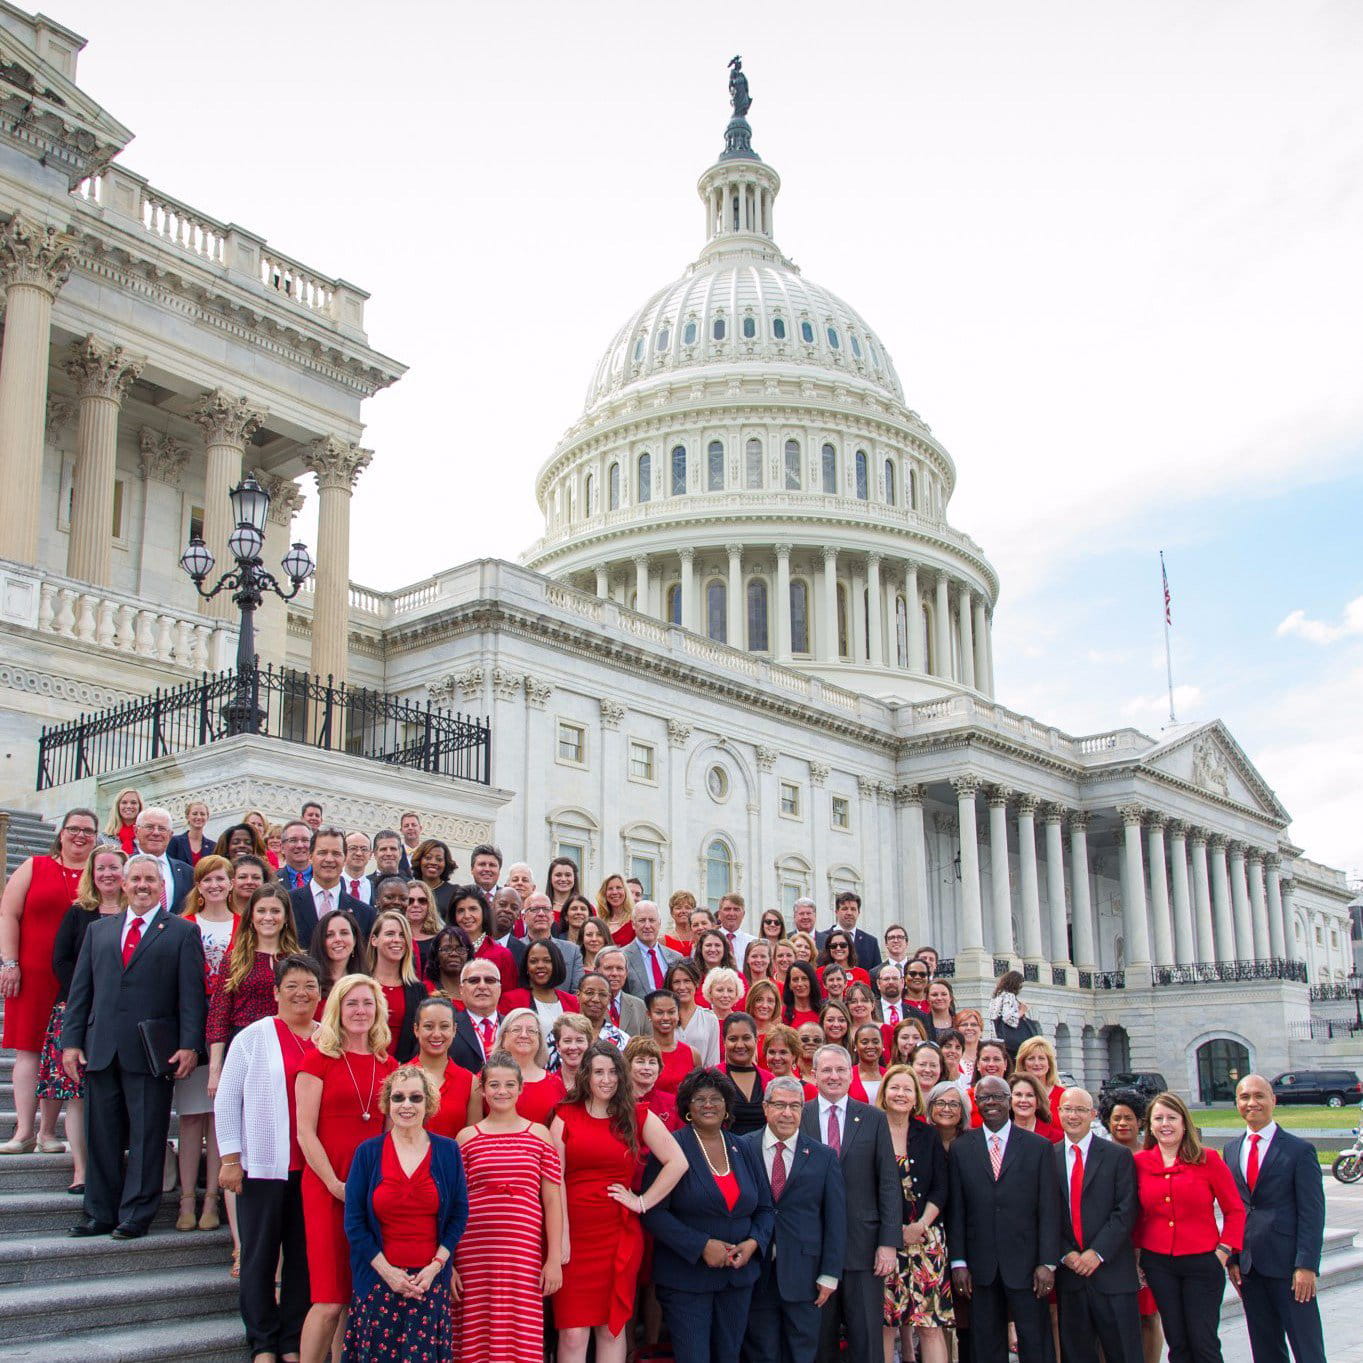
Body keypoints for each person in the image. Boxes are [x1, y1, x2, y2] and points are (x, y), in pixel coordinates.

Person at [61, 853, 206, 1239]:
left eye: (150, 880)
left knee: (147, 1134)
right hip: (100, 1047)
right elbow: (81, 992)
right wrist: (71, 1042)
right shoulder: (99, 932)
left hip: (150, 1050)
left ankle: (136, 1214)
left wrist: (190, 1045)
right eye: (136, 879)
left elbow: (192, 995)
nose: (143, 886)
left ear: (161, 888)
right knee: (102, 1133)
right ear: (123, 885)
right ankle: (99, 1213)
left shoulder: (181, 931)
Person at [552, 1042, 688, 1363]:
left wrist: (641, 1201)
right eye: (598, 1071)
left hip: (617, 1235)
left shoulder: (636, 1115)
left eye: (613, 1072)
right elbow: (553, 1181)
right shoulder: (563, 1116)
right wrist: (561, 1239)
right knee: (572, 1333)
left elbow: (677, 1162)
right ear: (585, 1075)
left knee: (612, 1329)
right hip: (573, 1236)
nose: (606, 1079)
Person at [215, 953, 321, 1363]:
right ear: (276, 992)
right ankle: (261, 1340)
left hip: (311, 1168)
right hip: (262, 1166)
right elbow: (227, 1100)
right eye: (291, 985)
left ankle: (293, 1339)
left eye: (309, 986)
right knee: (259, 1256)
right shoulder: (253, 1036)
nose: (301, 993)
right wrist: (229, 1158)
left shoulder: (327, 1036)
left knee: (301, 1257)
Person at [296, 974, 398, 1363]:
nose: (360, 1011)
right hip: (326, 1186)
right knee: (328, 1299)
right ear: (338, 1009)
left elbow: (389, 1137)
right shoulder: (317, 1059)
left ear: (378, 1012)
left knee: (355, 1294)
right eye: (352, 1003)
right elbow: (305, 1132)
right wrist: (335, 1184)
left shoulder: (389, 1064)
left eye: (367, 1004)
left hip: (369, 1192)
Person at [643, 1067, 774, 1363]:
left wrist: (753, 1243)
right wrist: (700, 1245)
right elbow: (654, 1212)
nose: (708, 1105)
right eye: (699, 1099)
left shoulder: (743, 1148)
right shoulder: (671, 1147)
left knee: (728, 1356)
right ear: (687, 1107)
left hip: (738, 1279)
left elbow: (765, 1209)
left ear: (727, 1106)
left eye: (716, 1099)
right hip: (687, 1280)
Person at [341, 1065, 469, 1363]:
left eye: (415, 1097)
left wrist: (437, 1266)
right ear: (387, 1104)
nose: (406, 1105)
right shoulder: (368, 1153)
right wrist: (387, 1272)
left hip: (428, 1284)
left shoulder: (448, 1152)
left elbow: (459, 1214)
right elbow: (354, 1221)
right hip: (377, 1283)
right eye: (398, 1098)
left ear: (429, 1104)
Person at [453, 1050, 563, 1363]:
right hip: (474, 1255)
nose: (502, 1091)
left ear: (520, 1089)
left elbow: (552, 1200)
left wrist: (553, 1258)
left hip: (522, 1255)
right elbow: (453, 1204)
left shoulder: (539, 1135)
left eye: (509, 1085)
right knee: (475, 1334)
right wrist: (449, 1264)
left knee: (520, 1334)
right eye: (495, 1085)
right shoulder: (466, 1138)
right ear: (483, 1090)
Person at [1, 807, 99, 1154]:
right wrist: (9, 963)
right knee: (28, 1050)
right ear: (60, 833)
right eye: (73, 829)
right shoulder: (34, 866)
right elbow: (8, 914)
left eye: (87, 831)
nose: (80, 836)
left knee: (60, 1052)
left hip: (73, 979)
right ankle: (23, 1130)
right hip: (32, 972)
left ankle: (47, 1131)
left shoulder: (97, 876)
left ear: (96, 837)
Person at [946, 1074, 1059, 1363]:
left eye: (998, 1097)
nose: (991, 1103)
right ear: (976, 1103)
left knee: (1035, 1340)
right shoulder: (962, 1148)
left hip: (1028, 1264)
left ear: (1009, 1101)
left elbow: (1049, 1209)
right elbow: (957, 1209)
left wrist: (1047, 1262)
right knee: (986, 1342)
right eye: (984, 1098)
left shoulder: (1038, 1147)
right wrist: (958, 1261)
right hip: (980, 1266)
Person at [801, 1043, 902, 1363]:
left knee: (867, 1339)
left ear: (851, 1074)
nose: (834, 1076)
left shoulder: (872, 1118)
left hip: (864, 1247)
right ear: (814, 1075)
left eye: (840, 1070)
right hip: (813, 1247)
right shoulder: (799, 1115)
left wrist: (888, 1243)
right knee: (819, 1338)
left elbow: (888, 1183)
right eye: (826, 1070)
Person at [1133, 1091, 1244, 1363]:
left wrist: (1223, 1251)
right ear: (1150, 1125)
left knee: (1203, 1342)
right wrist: (1136, 1258)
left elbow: (1235, 1210)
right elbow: (1134, 1215)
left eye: (1171, 1117)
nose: (1165, 1124)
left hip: (1202, 1263)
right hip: (1159, 1264)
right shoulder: (1139, 1163)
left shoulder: (1207, 1159)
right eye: (1158, 1118)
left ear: (1184, 1123)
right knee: (1178, 1342)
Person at [742, 1075, 845, 1363]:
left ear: (803, 1110)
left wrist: (829, 1273)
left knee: (801, 1352)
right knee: (761, 1351)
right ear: (765, 1108)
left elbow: (835, 1219)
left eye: (795, 1106)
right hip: (756, 1272)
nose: (787, 1113)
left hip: (805, 1275)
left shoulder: (824, 1156)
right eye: (779, 1105)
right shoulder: (742, 1148)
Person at [1225, 1073, 1326, 1363]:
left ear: (1274, 1100)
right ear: (1236, 1103)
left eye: (1259, 1096)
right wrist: (1233, 1257)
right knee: (1265, 1349)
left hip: (1290, 1269)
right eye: (1244, 1097)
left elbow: (1312, 1212)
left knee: (1307, 1348)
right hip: (1250, 1268)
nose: (1252, 1102)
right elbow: (1235, 1208)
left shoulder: (1299, 1151)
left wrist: (1306, 1265)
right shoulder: (1231, 1150)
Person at [43, 844, 126, 1192]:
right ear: (92, 874)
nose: (107, 874)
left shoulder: (138, 912)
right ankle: (81, 1169)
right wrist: (89, 995)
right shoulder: (79, 912)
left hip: (122, 1017)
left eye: (113, 867)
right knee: (76, 1096)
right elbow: (61, 960)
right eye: (100, 868)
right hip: (77, 1012)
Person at [1052, 1086, 1143, 1363]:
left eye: (1080, 1110)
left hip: (1112, 1274)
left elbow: (1125, 1210)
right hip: (1071, 1277)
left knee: (1124, 1354)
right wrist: (1066, 1253)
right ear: (1058, 1112)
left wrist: (1097, 1253)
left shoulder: (1117, 1156)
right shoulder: (1047, 1156)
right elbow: (1044, 1213)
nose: (1073, 1115)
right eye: (1067, 1109)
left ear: (1092, 1114)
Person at [176, 853, 237, 1233]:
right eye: (207, 879)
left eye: (221, 879)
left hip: (230, 1033)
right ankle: (186, 1199)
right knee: (190, 1117)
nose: (215, 885)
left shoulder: (243, 926)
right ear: (198, 886)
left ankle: (212, 1199)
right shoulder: (183, 926)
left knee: (219, 1119)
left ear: (231, 884)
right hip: (193, 1031)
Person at [878, 1064, 952, 1363]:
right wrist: (895, 1231)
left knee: (929, 1324)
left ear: (915, 1097)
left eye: (907, 1089)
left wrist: (921, 1224)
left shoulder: (927, 1134)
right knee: (885, 1324)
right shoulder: (871, 1130)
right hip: (884, 1242)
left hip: (927, 1240)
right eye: (895, 1087)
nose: (901, 1094)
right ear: (884, 1092)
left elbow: (941, 1186)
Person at [207, 886, 301, 1101]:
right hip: (244, 1045)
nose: (268, 917)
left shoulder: (296, 960)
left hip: (285, 1045)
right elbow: (219, 1015)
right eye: (261, 911)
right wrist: (215, 1069)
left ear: (286, 917)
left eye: (275, 911)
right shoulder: (234, 960)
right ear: (251, 917)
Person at [1098, 1087, 1163, 1363]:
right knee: (1105, 1316)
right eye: (1116, 1118)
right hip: (1108, 1246)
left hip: (1144, 1245)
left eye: (1128, 1118)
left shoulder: (1149, 1157)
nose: (1122, 1123)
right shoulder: (1098, 1154)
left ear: (1140, 1122)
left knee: (1148, 1313)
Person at [288, 826, 372, 945]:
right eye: (322, 853)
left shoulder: (364, 913)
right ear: (310, 857)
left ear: (344, 858)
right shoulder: (288, 903)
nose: (329, 859)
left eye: (336, 854)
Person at [369, 909, 431, 1064]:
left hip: (403, 1074)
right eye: (390, 934)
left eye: (402, 935)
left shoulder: (418, 990)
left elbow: (420, 1038)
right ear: (374, 940)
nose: (397, 940)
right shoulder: (358, 984)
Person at [485, 1008, 566, 1125]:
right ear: (503, 1038)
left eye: (531, 1031)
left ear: (539, 1039)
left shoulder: (556, 1083)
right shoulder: (486, 1080)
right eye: (516, 1030)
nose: (524, 1035)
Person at [410, 995, 474, 1139]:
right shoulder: (399, 1076)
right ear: (416, 1029)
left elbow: (472, 1142)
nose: (437, 1034)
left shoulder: (470, 1082)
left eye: (444, 1026)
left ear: (454, 1030)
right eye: (428, 1026)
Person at [451, 884, 519, 992]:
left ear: (484, 912)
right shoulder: (444, 950)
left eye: (473, 909)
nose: (467, 915)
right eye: (460, 910)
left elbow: (508, 997)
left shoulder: (502, 955)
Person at [506, 937, 581, 1028]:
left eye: (547, 961)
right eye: (533, 961)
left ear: (557, 964)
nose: (540, 965)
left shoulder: (573, 1002)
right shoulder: (510, 1000)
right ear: (526, 967)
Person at [449, 959, 504, 1073]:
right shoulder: (448, 1027)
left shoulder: (513, 1026)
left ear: (500, 988)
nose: (482, 986)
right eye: (474, 980)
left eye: (490, 980)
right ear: (461, 989)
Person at [722, 1012, 771, 1135]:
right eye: (733, 1039)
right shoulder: (711, 1078)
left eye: (746, 1038)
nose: (740, 1045)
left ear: (756, 1039)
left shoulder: (770, 1080)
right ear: (724, 1042)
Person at [523, 892, 584, 989]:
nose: (541, 914)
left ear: (552, 916)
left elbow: (577, 991)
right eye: (534, 909)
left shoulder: (572, 951)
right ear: (524, 917)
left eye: (546, 909)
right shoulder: (513, 948)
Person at [665, 958, 719, 1066]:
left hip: (701, 1082)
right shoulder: (663, 1018)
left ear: (696, 983)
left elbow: (713, 1063)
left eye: (687, 981)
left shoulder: (710, 1019)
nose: (682, 987)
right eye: (676, 982)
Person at [623, 900, 683, 996]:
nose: (647, 926)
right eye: (642, 920)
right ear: (633, 924)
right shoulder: (622, 957)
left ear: (659, 923)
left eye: (652, 920)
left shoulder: (676, 957)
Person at [645, 988, 699, 1094]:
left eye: (671, 1012)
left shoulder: (692, 1054)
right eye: (659, 1012)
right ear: (649, 1015)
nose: (665, 1017)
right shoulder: (640, 1051)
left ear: (678, 1014)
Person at [310, 907, 368, 1001]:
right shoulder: (310, 982)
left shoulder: (366, 983)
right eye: (330, 935)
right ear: (320, 942)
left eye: (344, 933)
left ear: (354, 940)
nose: (338, 939)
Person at [624, 1034, 678, 1128]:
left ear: (659, 1068)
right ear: (627, 1065)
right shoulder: (617, 1101)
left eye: (652, 1062)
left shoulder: (673, 1103)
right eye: (640, 1061)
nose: (647, 1067)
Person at [817, 892, 881, 970]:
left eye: (853, 909)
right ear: (836, 912)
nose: (849, 913)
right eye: (845, 909)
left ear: (858, 913)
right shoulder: (821, 939)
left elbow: (877, 974)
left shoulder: (871, 942)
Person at [577, 969, 629, 1050]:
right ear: (578, 995)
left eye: (603, 994)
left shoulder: (622, 1040)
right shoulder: (562, 1033)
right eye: (589, 993)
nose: (596, 999)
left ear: (609, 999)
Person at [1015, 1036, 1065, 1119]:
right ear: (1023, 1064)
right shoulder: (1015, 1095)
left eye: (1041, 1058)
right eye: (1031, 1058)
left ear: (1049, 1064)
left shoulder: (1063, 1096)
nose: (1037, 1063)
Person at [423, 922, 473, 1003]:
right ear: (436, 955)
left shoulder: (475, 992)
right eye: (446, 949)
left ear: (468, 955)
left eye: (460, 949)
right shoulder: (423, 991)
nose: (454, 954)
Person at [411, 837, 458, 920]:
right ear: (419, 861)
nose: (433, 862)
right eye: (428, 858)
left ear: (446, 863)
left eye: (439, 859)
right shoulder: (409, 889)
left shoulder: (455, 892)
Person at [1010, 1073, 1063, 1143]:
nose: (1023, 1100)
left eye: (1030, 1095)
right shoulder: (999, 1135)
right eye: (1018, 1095)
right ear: (1009, 1099)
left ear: (1038, 1101)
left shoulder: (1057, 1137)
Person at [988, 970, 1032, 1054]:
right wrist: (1021, 1011)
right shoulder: (1009, 996)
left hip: (998, 1036)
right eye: (1019, 985)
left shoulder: (997, 996)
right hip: (1010, 1040)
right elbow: (1008, 1018)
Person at [403, 880, 442, 973]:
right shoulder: (396, 936)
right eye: (410, 901)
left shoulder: (441, 938)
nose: (416, 905)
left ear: (430, 905)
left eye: (422, 901)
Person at [550, 1011, 594, 1090]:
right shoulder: (548, 1085)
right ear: (558, 1046)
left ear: (589, 1045)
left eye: (579, 1040)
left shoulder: (598, 1085)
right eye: (567, 1041)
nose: (573, 1047)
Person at [168, 799, 212, 866]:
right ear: (187, 817)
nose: (199, 817)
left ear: (207, 817)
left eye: (202, 814)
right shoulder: (175, 842)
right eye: (195, 814)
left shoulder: (213, 846)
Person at [716, 892, 757, 963]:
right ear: (719, 914)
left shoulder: (753, 942)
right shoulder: (710, 941)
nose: (732, 914)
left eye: (736, 909)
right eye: (727, 909)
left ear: (743, 914)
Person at [596, 873, 635, 945]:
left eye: (619, 887)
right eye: (610, 889)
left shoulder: (634, 920)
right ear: (604, 893)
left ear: (625, 892)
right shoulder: (599, 922)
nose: (614, 892)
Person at [852, 1022, 886, 1104]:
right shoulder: (847, 1075)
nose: (870, 1046)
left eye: (875, 1042)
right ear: (855, 1046)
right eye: (864, 1042)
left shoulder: (889, 1075)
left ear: (882, 1045)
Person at [103, 787, 143, 854]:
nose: (129, 806)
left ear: (140, 806)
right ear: (118, 806)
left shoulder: (145, 836)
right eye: (124, 802)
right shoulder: (104, 838)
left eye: (133, 803)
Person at [783, 960, 822, 1028]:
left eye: (804, 979)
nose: (800, 984)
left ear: (812, 981)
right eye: (795, 979)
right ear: (789, 984)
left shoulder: (823, 1012)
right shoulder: (782, 1014)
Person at [276, 821, 314, 891]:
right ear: (282, 848)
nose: (300, 845)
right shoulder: (271, 880)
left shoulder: (325, 878)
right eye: (293, 840)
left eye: (305, 840)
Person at [342, 830, 374, 905]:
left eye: (364, 849)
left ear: (370, 854)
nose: (359, 853)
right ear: (343, 851)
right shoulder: (332, 883)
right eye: (353, 848)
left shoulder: (374, 887)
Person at [953, 1008, 983, 1083]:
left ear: (981, 1030)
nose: (969, 1028)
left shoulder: (987, 1056)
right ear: (956, 1029)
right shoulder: (953, 1057)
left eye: (974, 1025)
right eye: (964, 1025)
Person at [664, 889, 697, 954]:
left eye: (687, 908)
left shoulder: (700, 936)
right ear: (672, 913)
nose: (683, 911)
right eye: (678, 908)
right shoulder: (663, 941)